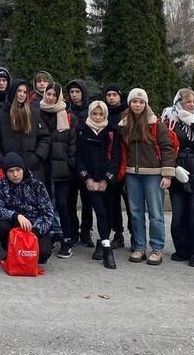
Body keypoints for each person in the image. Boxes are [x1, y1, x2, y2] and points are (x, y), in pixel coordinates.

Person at [119, 88, 175, 265]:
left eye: (141, 101)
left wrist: (167, 174)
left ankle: (157, 248)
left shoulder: (156, 124)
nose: (137, 104)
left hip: (153, 174)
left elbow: (167, 148)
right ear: (130, 103)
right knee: (135, 213)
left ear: (146, 104)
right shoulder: (124, 124)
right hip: (132, 174)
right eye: (134, 101)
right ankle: (139, 247)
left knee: (156, 213)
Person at [161, 88, 194, 267]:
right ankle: (182, 249)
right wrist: (173, 167)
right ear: (179, 102)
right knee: (179, 217)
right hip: (177, 171)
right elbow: (163, 145)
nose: (191, 105)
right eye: (187, 101)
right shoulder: (169, 120)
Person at [77, 101, 120, 269]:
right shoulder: (82, 130)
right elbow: (78, 156)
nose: (97, 117)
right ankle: (108, 250)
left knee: (108, 213)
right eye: (94, 114)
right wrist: (87, 178)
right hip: (90, 181)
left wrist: (106, 180)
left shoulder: (112, 131)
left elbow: (116, 157)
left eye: (100, 114)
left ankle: (102, 243)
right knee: (100, 212)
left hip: (107, 181)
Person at [0, 152, 54, 264]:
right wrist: (16, 216)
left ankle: (26, 251)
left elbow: (48, 213)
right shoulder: (0, 186)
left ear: (23, 169)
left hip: (35, 226)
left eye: (18, 170)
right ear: (5, 172)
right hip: (14, 224)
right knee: (0, 227)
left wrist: (34, 231)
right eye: (10, 171)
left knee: (43, 255)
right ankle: (12, 252)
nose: (15, 174)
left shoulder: (37, 186)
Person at [38, 82, 77, 258]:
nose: (51, 97)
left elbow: (73, 142)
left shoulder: (67, 116)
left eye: (54, 94)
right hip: (44, 167)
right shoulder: (37, 112)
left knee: (62, 204)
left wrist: (70, 161)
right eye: (48, 94)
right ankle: (52, 235)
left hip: (62, 168)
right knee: (46, 204)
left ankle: (67, 239)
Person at [0, 79, 50, 182]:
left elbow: (44, 137)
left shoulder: (33, 113)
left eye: (25, 92)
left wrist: (36, 156)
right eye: (19, 91)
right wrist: (1, 161)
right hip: (9, 169)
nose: (22, 94)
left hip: (32, 169)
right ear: (13, 92)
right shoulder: (1, 115)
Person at [66, 78, 94, 247]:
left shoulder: (91, 111)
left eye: (77, 92)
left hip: (86, 160)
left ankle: (86, 231)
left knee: (87, 200)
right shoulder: (66, 111)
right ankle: (73, 230)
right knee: (70, 200)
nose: (75, 95)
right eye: (72, 92)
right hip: (70, 160)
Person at [102, 83, 131, 249]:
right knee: (112, 203)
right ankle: (118, 233)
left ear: (120, 96)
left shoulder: (128, 112)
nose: (111, 98)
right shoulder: (103, 113)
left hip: (127, 163)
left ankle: (136, 235)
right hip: (110, 165)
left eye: (114, 95)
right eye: (108, 95)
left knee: (131, 203)